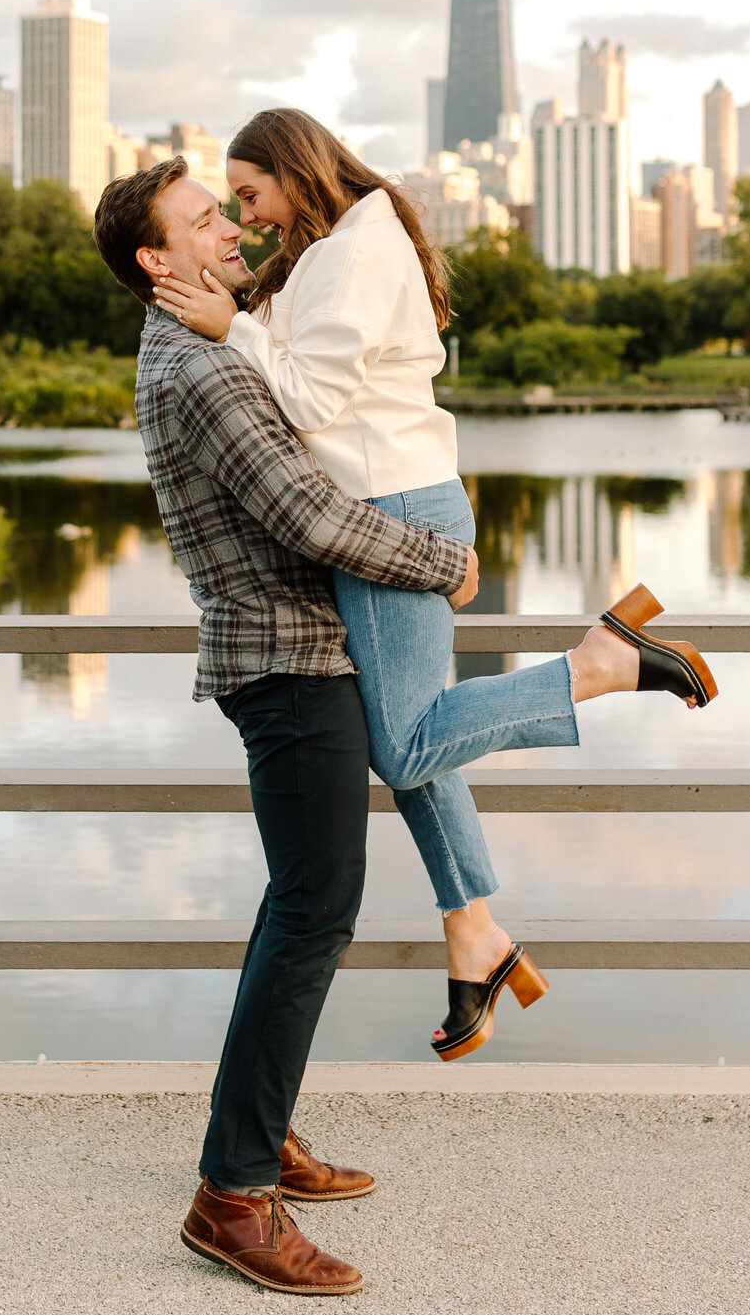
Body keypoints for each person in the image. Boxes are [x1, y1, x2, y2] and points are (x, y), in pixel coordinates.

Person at [150, 106, 720, 1064]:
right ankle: (477, 939)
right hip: (388, 507)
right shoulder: (334, 245)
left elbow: (307, 398)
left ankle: (598, 663)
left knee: (404, 743)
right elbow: (305, 370)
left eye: (249, 196)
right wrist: (242, 319)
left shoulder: (356, 253)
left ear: (293, 171)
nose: (246, 220)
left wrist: (225, 327)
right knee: (411, 731)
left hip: (393, 513)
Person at [92, 153, 478, 1297]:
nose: (229, 232)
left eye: (226, 212)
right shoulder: (197, 369)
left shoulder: (208, 341)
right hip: (289, 664)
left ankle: (259, 1139)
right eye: (204, 221)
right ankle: (230, 1197)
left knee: (297, 908)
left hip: (290, 658)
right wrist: (440, 562)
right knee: (316, 909)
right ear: (155, 260)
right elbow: (306, 513)